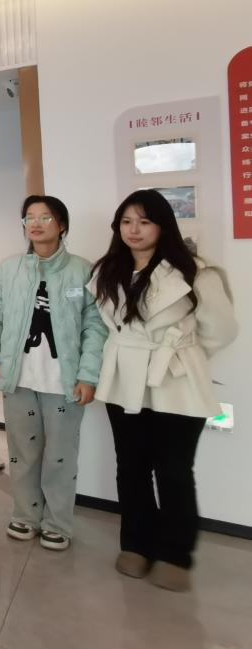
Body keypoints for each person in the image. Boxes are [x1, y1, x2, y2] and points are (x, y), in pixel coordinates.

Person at [90, 189, 237, 591]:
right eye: (126, 222)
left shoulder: (195, 272)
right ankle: (136, 544)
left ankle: (175, 553)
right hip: (124, 379)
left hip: (176, 381)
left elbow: (221, 330)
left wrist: (180, 354)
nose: (134, 230)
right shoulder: (108, 270)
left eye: (144, 221)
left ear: (163, 225)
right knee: (130, 466)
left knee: (173, 470)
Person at [0, 196, 107, 551]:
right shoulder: (10, 269)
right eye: (29, 218)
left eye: (45, 217)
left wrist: (88, 375)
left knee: (60, 455)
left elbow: (96, 328)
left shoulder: (82, 271)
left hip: (64, 382)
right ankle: (25, 515)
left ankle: (57, 522)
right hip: (18, 378)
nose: (35, 224)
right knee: (22, 453)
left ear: (62, 225)